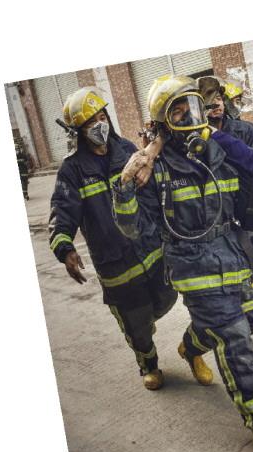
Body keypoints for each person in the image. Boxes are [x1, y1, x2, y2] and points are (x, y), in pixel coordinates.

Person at [114, 74, 253, 452]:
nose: (190, 117)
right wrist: (126, 186)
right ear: (164, 123)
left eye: (193, 108)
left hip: (232, 256)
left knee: (214, 328)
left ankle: (189, 348)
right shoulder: (155, 170)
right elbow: (133, 228)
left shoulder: (221, 154)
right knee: (234, 338)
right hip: (191, 265)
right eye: (178, 112)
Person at [48, 87, 203, 391]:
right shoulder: (72, 170)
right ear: (78, 131)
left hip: (150, 249)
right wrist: (64, 248)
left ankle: (146, 322)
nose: (99, 124)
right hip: (115, 263)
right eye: (90, 122)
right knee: (135, 323)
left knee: (165, 299)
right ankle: (149, 365)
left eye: (102, 116)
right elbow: (62, 210)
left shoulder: (126, 150)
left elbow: (154, 192)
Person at [197, 76, 253, 351]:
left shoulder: (247, 131)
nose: (217, 105)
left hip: (245, 212)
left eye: (219, 98)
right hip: (214, 221)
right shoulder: (193, 140)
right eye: (209, 102)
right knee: (239, 278)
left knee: (243, 273)